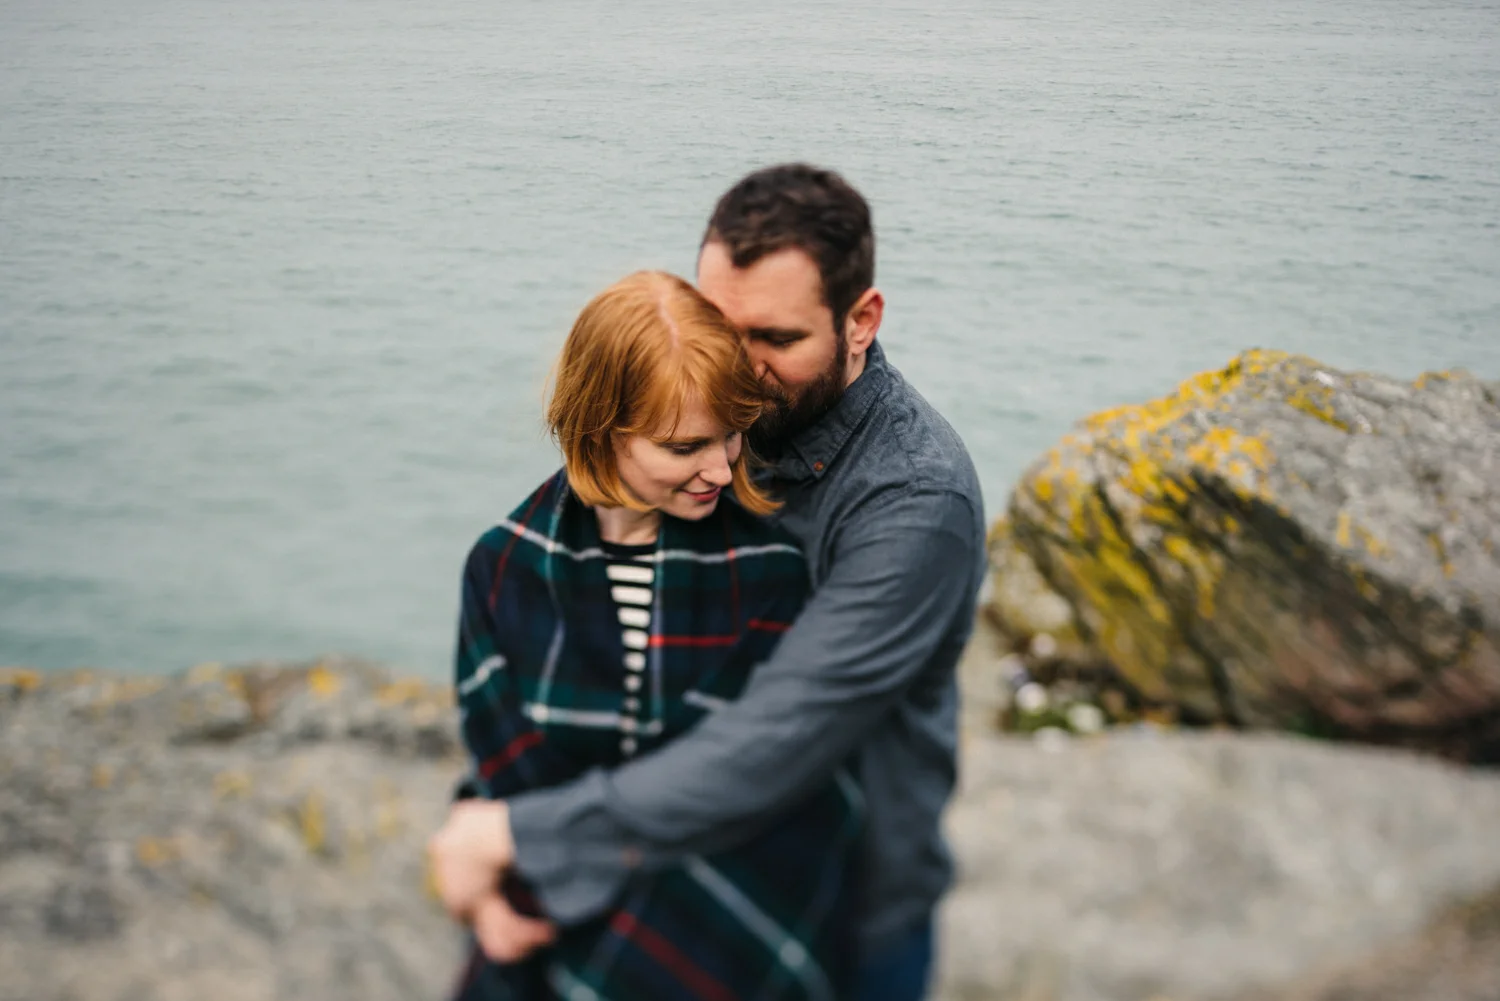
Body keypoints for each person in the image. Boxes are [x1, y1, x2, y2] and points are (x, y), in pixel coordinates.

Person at [430, 165, 985, 1001]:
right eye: (722, 326)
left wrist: (520, 835)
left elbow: (781, 732)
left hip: (841, 910)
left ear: (861, 319)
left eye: (778, 338)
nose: (742, 372)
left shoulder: (914, 500)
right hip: (640, 870)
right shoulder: (712, 411)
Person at [442, 270, 862, 1001]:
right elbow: (502, 767)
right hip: (559, 884)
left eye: (732, 433)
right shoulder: (501, 568)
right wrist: (486, 895)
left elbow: (754, 781)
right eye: (684, 446)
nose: (721, 468)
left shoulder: (771, 570)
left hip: (722, 894)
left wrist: (526, 840)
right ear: (601, 431)